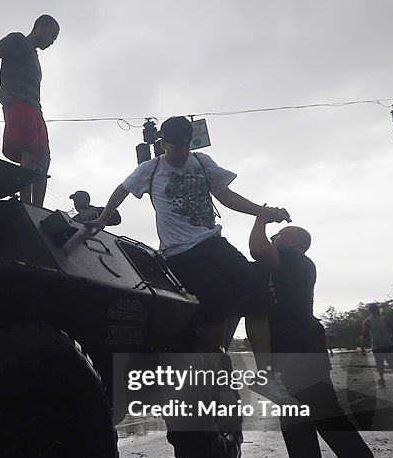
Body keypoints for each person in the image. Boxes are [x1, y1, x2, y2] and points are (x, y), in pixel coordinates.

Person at [86, 116, 288, 364]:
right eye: (175, 147)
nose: (182, 152)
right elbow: (122, 189)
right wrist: (103, 219)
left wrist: (263, 211)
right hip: (180, 251)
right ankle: (215, 364)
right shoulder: (150, 169)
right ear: (163, 144)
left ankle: (266, 373)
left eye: (186, 146)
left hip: (213, 242)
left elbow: (227, 196)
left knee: (258, 292)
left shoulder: (202, 163)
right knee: (216, 298)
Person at [248, 213, 393, 458]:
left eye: (280, 233)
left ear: (293, 243)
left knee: (329, 424)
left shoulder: (296, 262)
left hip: (298, 354)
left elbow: (258, 249)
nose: (274, 236)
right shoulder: (278, 270)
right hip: (291, 354)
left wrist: (260, 218)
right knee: (296, 425)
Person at [0, 15, 60, 206]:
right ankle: (26, 204)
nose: (52, 42)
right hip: (18, 103)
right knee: (29, 152)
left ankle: (38, 207)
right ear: (42, 27)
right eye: (52, 36)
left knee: (44, 157)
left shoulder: (34, 55)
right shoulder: (17, 40)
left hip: (36, 108)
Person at [360, 303, 393, 389]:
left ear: (370, 311)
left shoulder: (367, 321)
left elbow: (364, 335)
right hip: (387, 344)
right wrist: (391, 338)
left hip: (377, 346)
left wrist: (362, 347)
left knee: (379, 364)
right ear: (377, 309)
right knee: (392, 362)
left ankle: (382, 379)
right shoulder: (385, 319)